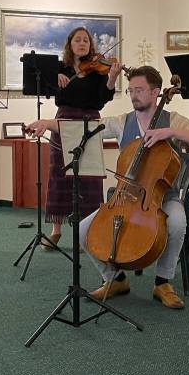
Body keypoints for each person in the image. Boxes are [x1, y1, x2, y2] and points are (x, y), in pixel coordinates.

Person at [27, 66, 189, 310]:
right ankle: (115, 279)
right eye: (130, 90)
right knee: (83, 230)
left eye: (139, 90)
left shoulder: (173, 119)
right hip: (124, 197)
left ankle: (163, 282)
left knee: (178, 223)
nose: (134, 95)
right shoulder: (122, 122)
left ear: (156, 92)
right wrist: (47, 122)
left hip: (162, 197)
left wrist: (169, 131)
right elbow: (85, 126)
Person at [43, 27, 122, 249]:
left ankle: (87, 232)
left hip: (89, 122)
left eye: (86, 40)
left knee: (89, 177)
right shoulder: (61, 68)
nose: (82, 43)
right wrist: (53, 77)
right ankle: (56, 230)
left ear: (90, 45)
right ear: (70, 44)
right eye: (77, 40)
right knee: (60, 175)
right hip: (64, 121)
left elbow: (102, 99)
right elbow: (47, 89)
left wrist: (112, 78)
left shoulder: (98, 70)